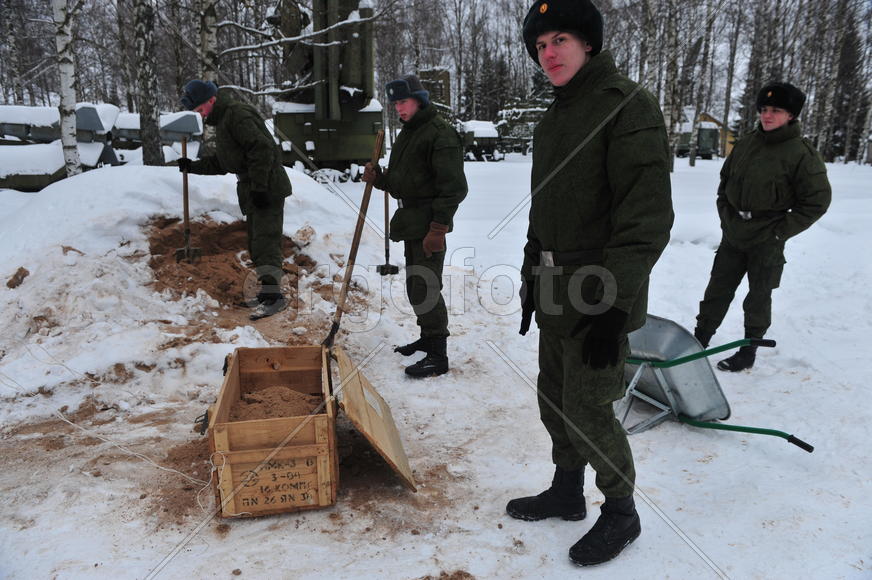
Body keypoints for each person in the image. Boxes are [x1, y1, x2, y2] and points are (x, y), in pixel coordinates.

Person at [508, 0, 673, 567]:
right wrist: (534, 271)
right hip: (556, 286)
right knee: (553, 398)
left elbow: (646, 220)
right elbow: (545, 207)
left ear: (589, 43)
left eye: (560, 40)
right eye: (539, 45)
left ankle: (621, 513)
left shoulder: (626, 106)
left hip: (599, 292)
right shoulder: (556, 117)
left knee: (589, 405)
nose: (548, 53)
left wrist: (613, 305)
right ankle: (566, 490)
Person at [694, 82, 831, 371]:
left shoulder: (802, 154)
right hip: (734, 232)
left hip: (767, 237)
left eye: (776, 111)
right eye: (764, 109)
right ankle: (698, 341)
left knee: (758, 295)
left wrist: (779, 231)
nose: (767, 116)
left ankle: (748, 351)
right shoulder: (745, 144)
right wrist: (726, 216)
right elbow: (724, 184)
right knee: (717, 289)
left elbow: (816, 202)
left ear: (791, 115)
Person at [362, 74, 467, 378]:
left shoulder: (439, 135)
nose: (399, 108)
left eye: (403, 101)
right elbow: (403, 183)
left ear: (420, 100)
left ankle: (438, 354)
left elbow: (454, 188)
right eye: (395, 103)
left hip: (428, 225)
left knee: (426, 287)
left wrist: (438, 229)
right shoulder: (410, 133)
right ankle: (428, 337)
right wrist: (380, 179)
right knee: (416, 286)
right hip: (412, 223)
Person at [177, 80, 293, 321]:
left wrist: (260, 187)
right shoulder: (224, 121)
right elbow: (225, 162)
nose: (201, 115)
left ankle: (275, 298)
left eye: (200, 110)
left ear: (212, 100)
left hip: (266, 186)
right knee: (256, 242)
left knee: (265, 243)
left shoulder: (237, 115)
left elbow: (262, 149)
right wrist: (194, 167)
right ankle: (268, 292)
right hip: (253, 187)